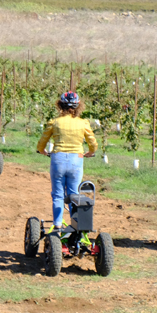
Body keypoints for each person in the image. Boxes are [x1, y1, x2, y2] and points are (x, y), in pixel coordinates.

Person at [37, 91, 98, 232]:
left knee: (58, 194)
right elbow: (93, 143)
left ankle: (57, 225)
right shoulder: (83, 123)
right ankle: (75, 225)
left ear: (60, 105)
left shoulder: (55, 122)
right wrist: (90, 152)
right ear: (78, 106)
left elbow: (42, 143)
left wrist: (43, 151)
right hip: (76, 160)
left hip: (58, 159)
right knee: (74, 194)